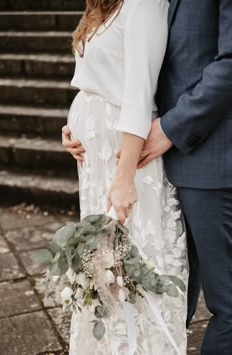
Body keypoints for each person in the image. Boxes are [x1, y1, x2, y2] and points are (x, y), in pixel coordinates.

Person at [64, 0, 232, 353]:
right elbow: (117, 73)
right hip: (118, 159)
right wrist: (81, 123)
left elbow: (225, 64)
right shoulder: (108, 6)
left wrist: (166, 132)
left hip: (173, 155)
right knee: (128, 282)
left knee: (208, 298)